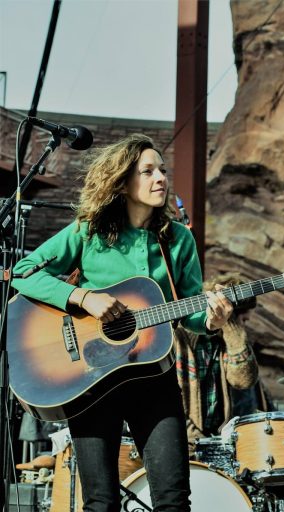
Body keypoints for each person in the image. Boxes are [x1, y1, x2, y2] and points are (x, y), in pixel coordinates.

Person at [12, 134, 234, 512]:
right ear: (122, 181)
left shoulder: (178, 240)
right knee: (100, 502)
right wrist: (83, 297)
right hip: (91, 378)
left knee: (174, 499)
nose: (161, 178)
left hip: (153, 378)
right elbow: (22, 271)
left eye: (162, 170)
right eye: (148, 171)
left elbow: (190, 312)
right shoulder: (89, 232)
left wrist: (212, 320)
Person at [173, 273, 260, 453]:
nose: (243, 327)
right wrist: (195, 438)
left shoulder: (226, 341)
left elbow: (243, 380)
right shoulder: (178, 337)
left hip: (214, 443)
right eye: (242, 320)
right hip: (179, 443)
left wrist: (232, 329)